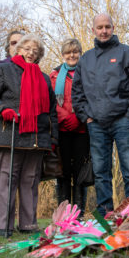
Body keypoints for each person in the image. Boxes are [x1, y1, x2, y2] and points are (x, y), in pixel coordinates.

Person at [71, 13, 129, 217]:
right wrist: (86, 116)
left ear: (113, 28)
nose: (104, 31)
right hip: (96, 123)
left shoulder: (127, 53)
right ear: (93, 30)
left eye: (107, 26)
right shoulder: (85, 59)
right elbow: (77, 92)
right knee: (100, 172)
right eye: (100, 27)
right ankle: (104, 212)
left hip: (124, 121)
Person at [0, 34, 58, 237]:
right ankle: (4, 225)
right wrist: (1, 109)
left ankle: (28, 224)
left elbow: (51, 112)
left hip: (36, 138)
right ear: (18, 50)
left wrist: (52, 139)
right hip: (11, 134)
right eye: (27, 48)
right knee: (7, 180)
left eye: (36, 50)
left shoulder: (43, 78)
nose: (31, 53)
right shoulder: (4, 70)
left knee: (30, 181)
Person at [49, 39, 89, 216]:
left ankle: (79, 213)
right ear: (63, 54)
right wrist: (65, 118)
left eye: (75, 52)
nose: (71, 55)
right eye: (68, 52)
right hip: (62, 130)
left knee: (80, 174)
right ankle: (63, 214)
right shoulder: (55, 75)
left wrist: (78, 118)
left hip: (82, 130)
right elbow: (51, 101)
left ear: (80, 53)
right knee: (63, 173)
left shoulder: (87, 72)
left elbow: (90, 97)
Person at [0, 30, 25, 185]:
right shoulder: (0, 68)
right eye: (14, 43)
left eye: (22, 43)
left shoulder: (34, 71)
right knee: (3, 182)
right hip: (3, 133)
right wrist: (2, 110)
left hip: (27, 137)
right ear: (8, 48)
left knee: (26, 181)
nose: (17, 46)